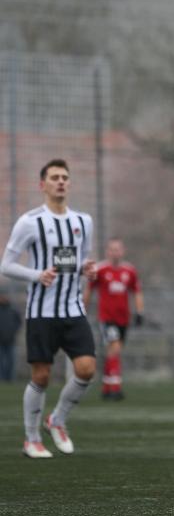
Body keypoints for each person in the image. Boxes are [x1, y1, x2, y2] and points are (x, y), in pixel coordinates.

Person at [0, 159, 97, 459]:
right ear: (42, 185)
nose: (61, 182)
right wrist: (36, 275)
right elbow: (6, 265)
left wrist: (85, 268)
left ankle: (57, 419)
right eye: (54, 177)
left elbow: (76, 260)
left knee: (86, 369)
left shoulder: (83, 221)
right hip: (42, 311)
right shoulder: (30, 221)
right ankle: (31, 439)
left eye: (65, 177)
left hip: (73, 309)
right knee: (41, 376)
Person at [84, 238, 144, 401]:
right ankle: (115, 388)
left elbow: (137, 292)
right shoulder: (101, 270)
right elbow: (89, 291)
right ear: (107, 251)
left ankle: (106, 387)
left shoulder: (129, 271)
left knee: (114, 351)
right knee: (115, 347)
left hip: (123, 319)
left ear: (122, 251)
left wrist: (139, 312)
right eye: (112, 249)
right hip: (106, 318)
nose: (115, 252)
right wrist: (83, 309)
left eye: (118, 249)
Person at [0, 293, 22, 381]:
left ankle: (10, 378)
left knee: (11, 361)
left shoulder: (13, 310)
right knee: (1, 361)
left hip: (10, 340)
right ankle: (1, 378)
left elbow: (18, 322)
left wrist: (13, 331)